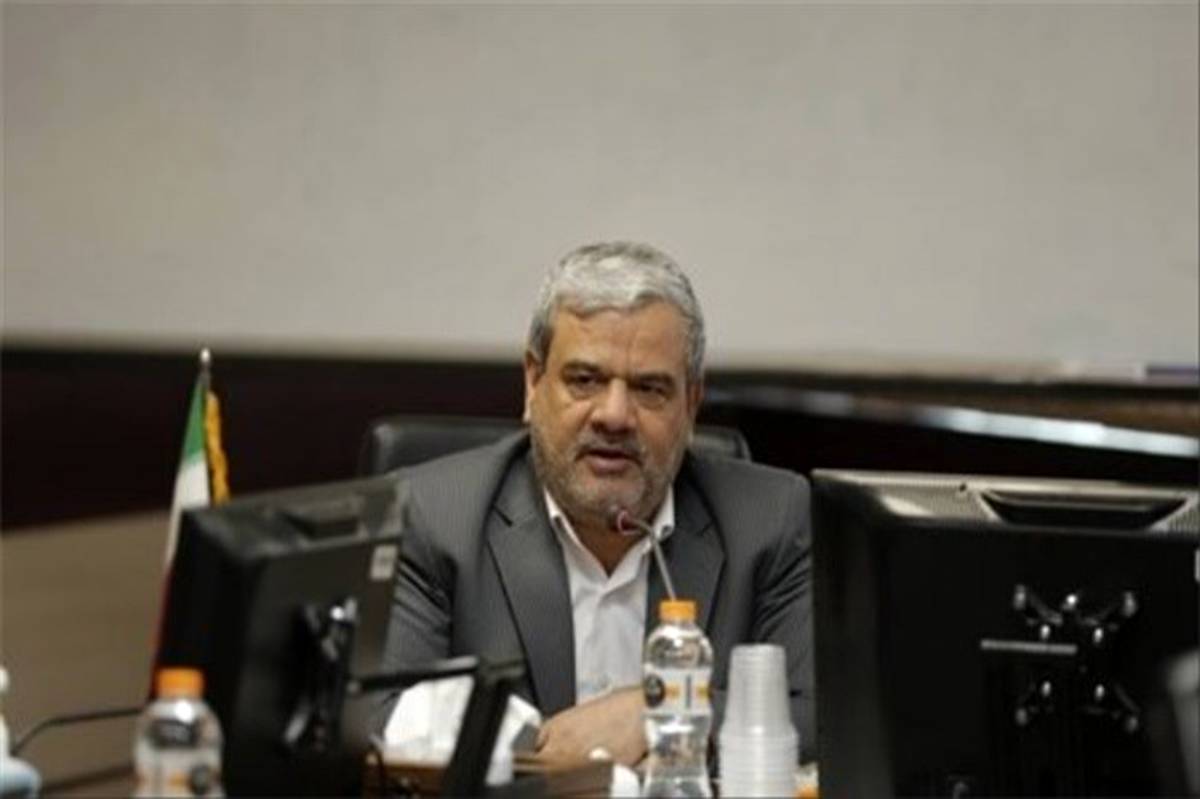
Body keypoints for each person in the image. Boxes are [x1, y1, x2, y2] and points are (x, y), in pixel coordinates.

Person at [385, 241, 814, 765]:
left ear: (691, 404)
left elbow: (821, 717)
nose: (614, 416)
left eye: (649, 388)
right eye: (585, 380)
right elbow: (382, 723)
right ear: (533, 382)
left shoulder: (771, 521)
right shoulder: (433, 517)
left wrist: (657, 713)